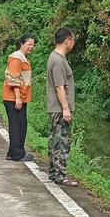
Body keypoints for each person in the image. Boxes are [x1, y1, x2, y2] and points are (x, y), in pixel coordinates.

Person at [46, 27, 78, 186]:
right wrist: (66, 108)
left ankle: (53, 173)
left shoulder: (56, 58)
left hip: (56, 108)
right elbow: (60, 87)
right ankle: (60, 176)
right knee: (61, 141)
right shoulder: (58, 60)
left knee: (55, 140)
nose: (74, 43)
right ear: (67, 41)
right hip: (60, 109)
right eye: (73, 40)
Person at [2, 34, 36, 161]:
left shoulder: (23, 58)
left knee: (20, 124)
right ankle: (18, 154)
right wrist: (18, 98)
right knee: (17, 126)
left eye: (33, 44)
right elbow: (14, 79)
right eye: (29, 44)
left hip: (20, 96)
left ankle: (12, 152)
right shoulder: (16, 58)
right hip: (13, 98)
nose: (31, 47)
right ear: (22, 44)